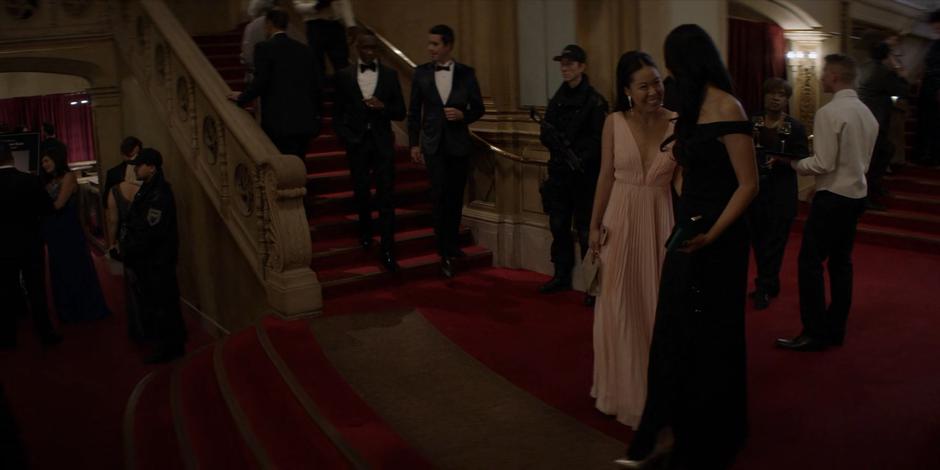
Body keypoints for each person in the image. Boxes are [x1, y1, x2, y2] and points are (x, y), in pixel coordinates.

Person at [617, 25, 758, 469]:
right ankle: (662, 430)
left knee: (711, 336)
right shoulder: (695, 105)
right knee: (673, 331)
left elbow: (749, 185)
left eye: (673, 66)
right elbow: (688, 168)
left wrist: (713, 234)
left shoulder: (727, 105)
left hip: (721, 239)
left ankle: (705, 435)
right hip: (689, 229)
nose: (669, 78)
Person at [588, 51, 676, 428]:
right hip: (620, 221)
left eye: (657, 82)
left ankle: (657, 394)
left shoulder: (677, 122)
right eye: (643, 85)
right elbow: (605, 176)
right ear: (626, 90)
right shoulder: (613, 122)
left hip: (661, 220)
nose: (653, 91)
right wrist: (593, 226)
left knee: (657, 309)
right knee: (620, 306)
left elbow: (683, 181)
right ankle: (620, 391)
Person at [775, 54, 878, 353]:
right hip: (856, 195)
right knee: (841, 264)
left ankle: (814, 332)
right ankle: (835, 329)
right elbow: (860, 162)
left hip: (833, 199)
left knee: (809, 264)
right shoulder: (867, 113)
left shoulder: (829, 112)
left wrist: (794, 164)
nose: (820, 78)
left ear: (833, 76)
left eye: (823, 73)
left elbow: (822, 162)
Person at [407, 24, 484, 278]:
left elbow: (479, 108)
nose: (430, 48)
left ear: (448, 46)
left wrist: (464, 115)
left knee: (455, 196)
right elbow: (414, 111)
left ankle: (452, 244)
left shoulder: (466, 73)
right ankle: (443, 251)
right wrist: (414, 144)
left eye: (435, 44)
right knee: (439, 196)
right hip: (433, 145)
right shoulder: (420, 73)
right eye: (429, 44)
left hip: (459, 144)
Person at [537, 44, 608, 305]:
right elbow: (546, 131)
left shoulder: (594, 101)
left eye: (570, 64)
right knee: (558, 225)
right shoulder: (557, 98)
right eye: (562, 64)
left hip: (583, 176)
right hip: (559, 174)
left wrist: (578, 157)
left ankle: (591, 285)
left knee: (586, 230)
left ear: (582, 66)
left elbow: (600, 140)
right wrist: (555, 145)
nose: (564, 68)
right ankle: (561, 275)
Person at [333, 32, 406, 272]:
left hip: (382, 143)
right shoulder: (344, 76)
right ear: (357, 48)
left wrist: (383, 107)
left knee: (386, 196)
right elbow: (337, 114)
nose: (370, 52)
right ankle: (365, 233)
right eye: (366, 48)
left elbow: (400, 112)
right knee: (361, 192)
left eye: (374, 48)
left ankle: (387, 249)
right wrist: (348, 137)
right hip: (357, 144)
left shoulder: (389, 75)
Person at [120, 148, 187, 363]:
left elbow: (150, 230)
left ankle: (168, 346)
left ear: (152, 167)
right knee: (159, 303)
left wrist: (129, 248)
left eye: (140, 165)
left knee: (162, 305)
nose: (136, 169)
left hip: (157, 261)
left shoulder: (159, 193)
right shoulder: (149, 188)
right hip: (150, 259)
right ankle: (171, 341)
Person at [747, 78, 809, 310]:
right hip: (755, 192)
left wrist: (780, 161)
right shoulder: (752, 122)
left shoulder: (795, 127)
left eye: (781, 95)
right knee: (759, 242)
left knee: (775, 242)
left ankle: (764, 286)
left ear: (786, 99)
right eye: (771, 93)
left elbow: (802, 159)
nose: (775, 98)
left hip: (781, 193)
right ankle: (769, 283)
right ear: (764, 96)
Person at [230, 8, 322, 161]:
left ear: (269, 24)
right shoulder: (305, 50)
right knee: (300, 163)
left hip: (279, 122)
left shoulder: (264, 48)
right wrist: (316, 115)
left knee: (283, 165)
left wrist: (242, 98)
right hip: (304, 120)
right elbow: (317, 85)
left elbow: (261, 81)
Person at [39, 145, 110, 323]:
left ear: (57, 158)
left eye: (46, 160)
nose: (44, 164)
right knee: (60, 271)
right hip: (55, 232)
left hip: (68, 230)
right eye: (42, 161)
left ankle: (85, 309)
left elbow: (59, 204)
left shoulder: (69, 177)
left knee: (75, 269)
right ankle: (67, 310)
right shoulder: (50, 180)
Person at [0, 142, 61, 349]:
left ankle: (8, 337)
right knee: (36, 288)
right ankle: (45, 331)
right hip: (30, 243)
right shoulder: (30, 180)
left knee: (5, 290)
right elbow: (47, 209)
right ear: (11, 157)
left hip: (2, 248)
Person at [858, 33, 909, 210]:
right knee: (877, 158)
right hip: (876, 121)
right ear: (886, 55)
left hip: (864, 119)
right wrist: (901, 74)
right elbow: (902, 90)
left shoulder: (863, 68)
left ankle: (875, 189)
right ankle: (868, 196)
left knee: (881, 154)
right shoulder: (883, 72)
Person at [107, 164, 146, 341]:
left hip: (127, 241)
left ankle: (139, 329)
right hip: (145, 240)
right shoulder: (145, 189)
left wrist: (112, 243)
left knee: (132, 286)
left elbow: (113, 220)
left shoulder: (115, 191)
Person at [294, 0, 354, 78]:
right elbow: (297, 7)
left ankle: (345, 88)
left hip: (335, 24)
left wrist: (350, 24)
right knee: (317, 64)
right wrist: (315, 7)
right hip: (315, 26)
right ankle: (321, 87)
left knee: (342, 63)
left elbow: (344, 2)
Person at [913, 10, 940, 167]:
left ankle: (934, 156)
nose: (935, 28)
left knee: (936, 123)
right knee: (924, 121)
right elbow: (927, 65)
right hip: (928, 86)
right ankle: (923, 155)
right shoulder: (934, 44)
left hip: (937, 86)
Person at [103, 136, 142, 210]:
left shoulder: (146, 170)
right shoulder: (113, 173)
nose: (134, 158)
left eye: (137, 154)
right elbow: (106, 202)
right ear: (123, 154)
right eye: (131, 155)